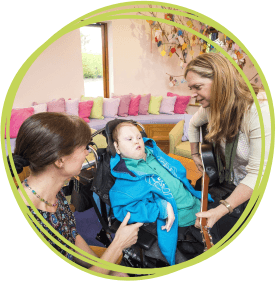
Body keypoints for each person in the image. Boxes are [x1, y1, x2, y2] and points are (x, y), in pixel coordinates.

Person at [8, 112, 143, 277]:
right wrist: (117, 245)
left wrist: (105, 267)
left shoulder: (53, 192)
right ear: (60, 160)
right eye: (84, 148)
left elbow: (70, 235)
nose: (87, 152)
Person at [185, 53, 271, 232]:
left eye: (198, 87)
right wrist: (194, 154)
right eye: (191, 88)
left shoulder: (259, 110)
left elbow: (259, 175)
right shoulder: (211, 107)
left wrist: (220, 211)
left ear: (220, 80)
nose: (194, 95)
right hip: (235, 183)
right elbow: (193, 124)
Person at [109, 122, 214, 265]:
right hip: (181, 223)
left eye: (139, 137)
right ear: (117, 147)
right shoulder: (126, 175)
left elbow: (179, 172)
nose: (136, 141)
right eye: (129, 139)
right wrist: (161, 207)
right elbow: (122, 209)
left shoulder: (154, 153)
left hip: (199, 205)